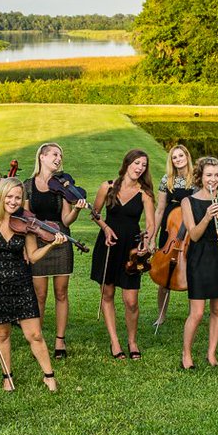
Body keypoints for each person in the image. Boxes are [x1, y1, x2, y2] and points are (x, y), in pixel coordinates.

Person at [0, 178, 67, 392]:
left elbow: (32, 257)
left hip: (21, 283)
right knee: (2, 334)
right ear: (1, 196)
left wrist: (51, 244)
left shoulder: (24, 224)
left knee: (35, 334)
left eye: (17, 197)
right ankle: (7, 376)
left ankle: (49, 376)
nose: (13, 201)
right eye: (9, 196)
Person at [22, 142, 88, 359]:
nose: (58, 158)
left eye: (60, 155)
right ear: (42, 157)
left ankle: (60, 340)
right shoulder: (28, 185)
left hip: (61, 240)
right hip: (37, 241)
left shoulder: (62, 185)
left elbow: (66, 219)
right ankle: (38, 339)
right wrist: (26, 246)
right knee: (40, 295)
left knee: (61, 293)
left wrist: (76, 210)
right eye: (54, 154)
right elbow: (24, 219)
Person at [90, 149, 156, 360]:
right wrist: (105, 228)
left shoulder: (144, 193)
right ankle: (115, 342)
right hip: (109, 245)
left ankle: (132, 341)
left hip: (132, 249)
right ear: (127, 163)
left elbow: (151, 224)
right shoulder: (107, 186)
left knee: (131, 301)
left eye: (143, 165)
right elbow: (95, 213)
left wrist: (146, 240)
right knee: (107, 294)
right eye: (136, 163)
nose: (139, 168)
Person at [180, 157, 218, 370]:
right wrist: (206, 218)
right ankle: (186, 353)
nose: (213, 179)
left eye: (217, 175)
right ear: (200, 177)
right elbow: (193, 235)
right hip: (199, 256)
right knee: (198, 312)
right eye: (209, 175)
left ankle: (211, 353)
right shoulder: (188, 202)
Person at [153, 144, 195, 327]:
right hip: (170, 228)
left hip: (190, 228)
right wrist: (152, 235)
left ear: (187, 156)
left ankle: (192, 314)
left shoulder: (197, 178)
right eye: (174, 157)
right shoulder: (166, 179)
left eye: (180, 156)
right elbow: (160, 209)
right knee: (165, 272)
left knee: (192, 271)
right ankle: (161, 315)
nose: (178, 160)